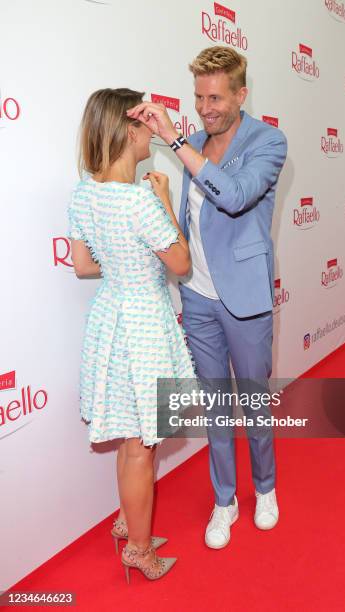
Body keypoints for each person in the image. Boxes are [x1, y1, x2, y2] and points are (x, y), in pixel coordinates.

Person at [127, 46, 288, 549]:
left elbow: (236, 196)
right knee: (217, 406)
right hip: (197, 299)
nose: (205, 108)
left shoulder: (269, 141)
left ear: (241, 94)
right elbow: (192, 221)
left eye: (215, 97)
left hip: (244, 296)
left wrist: (174, 139)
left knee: (254, 401)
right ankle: (226, 499)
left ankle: (265, 487)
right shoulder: (193, 141)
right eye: (199, 97)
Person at [68, 88, 195, 581]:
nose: (150, 134)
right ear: (126, 131)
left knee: (130, 438)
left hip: (110, 321)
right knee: (144, 445)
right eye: (143, 124)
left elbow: (82, 265)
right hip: (144, 327)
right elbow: (180, 264)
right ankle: (140, 551)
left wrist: (122, 264)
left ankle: (127, 522)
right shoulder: (141, 202)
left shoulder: (84, 192)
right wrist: (163, 199)